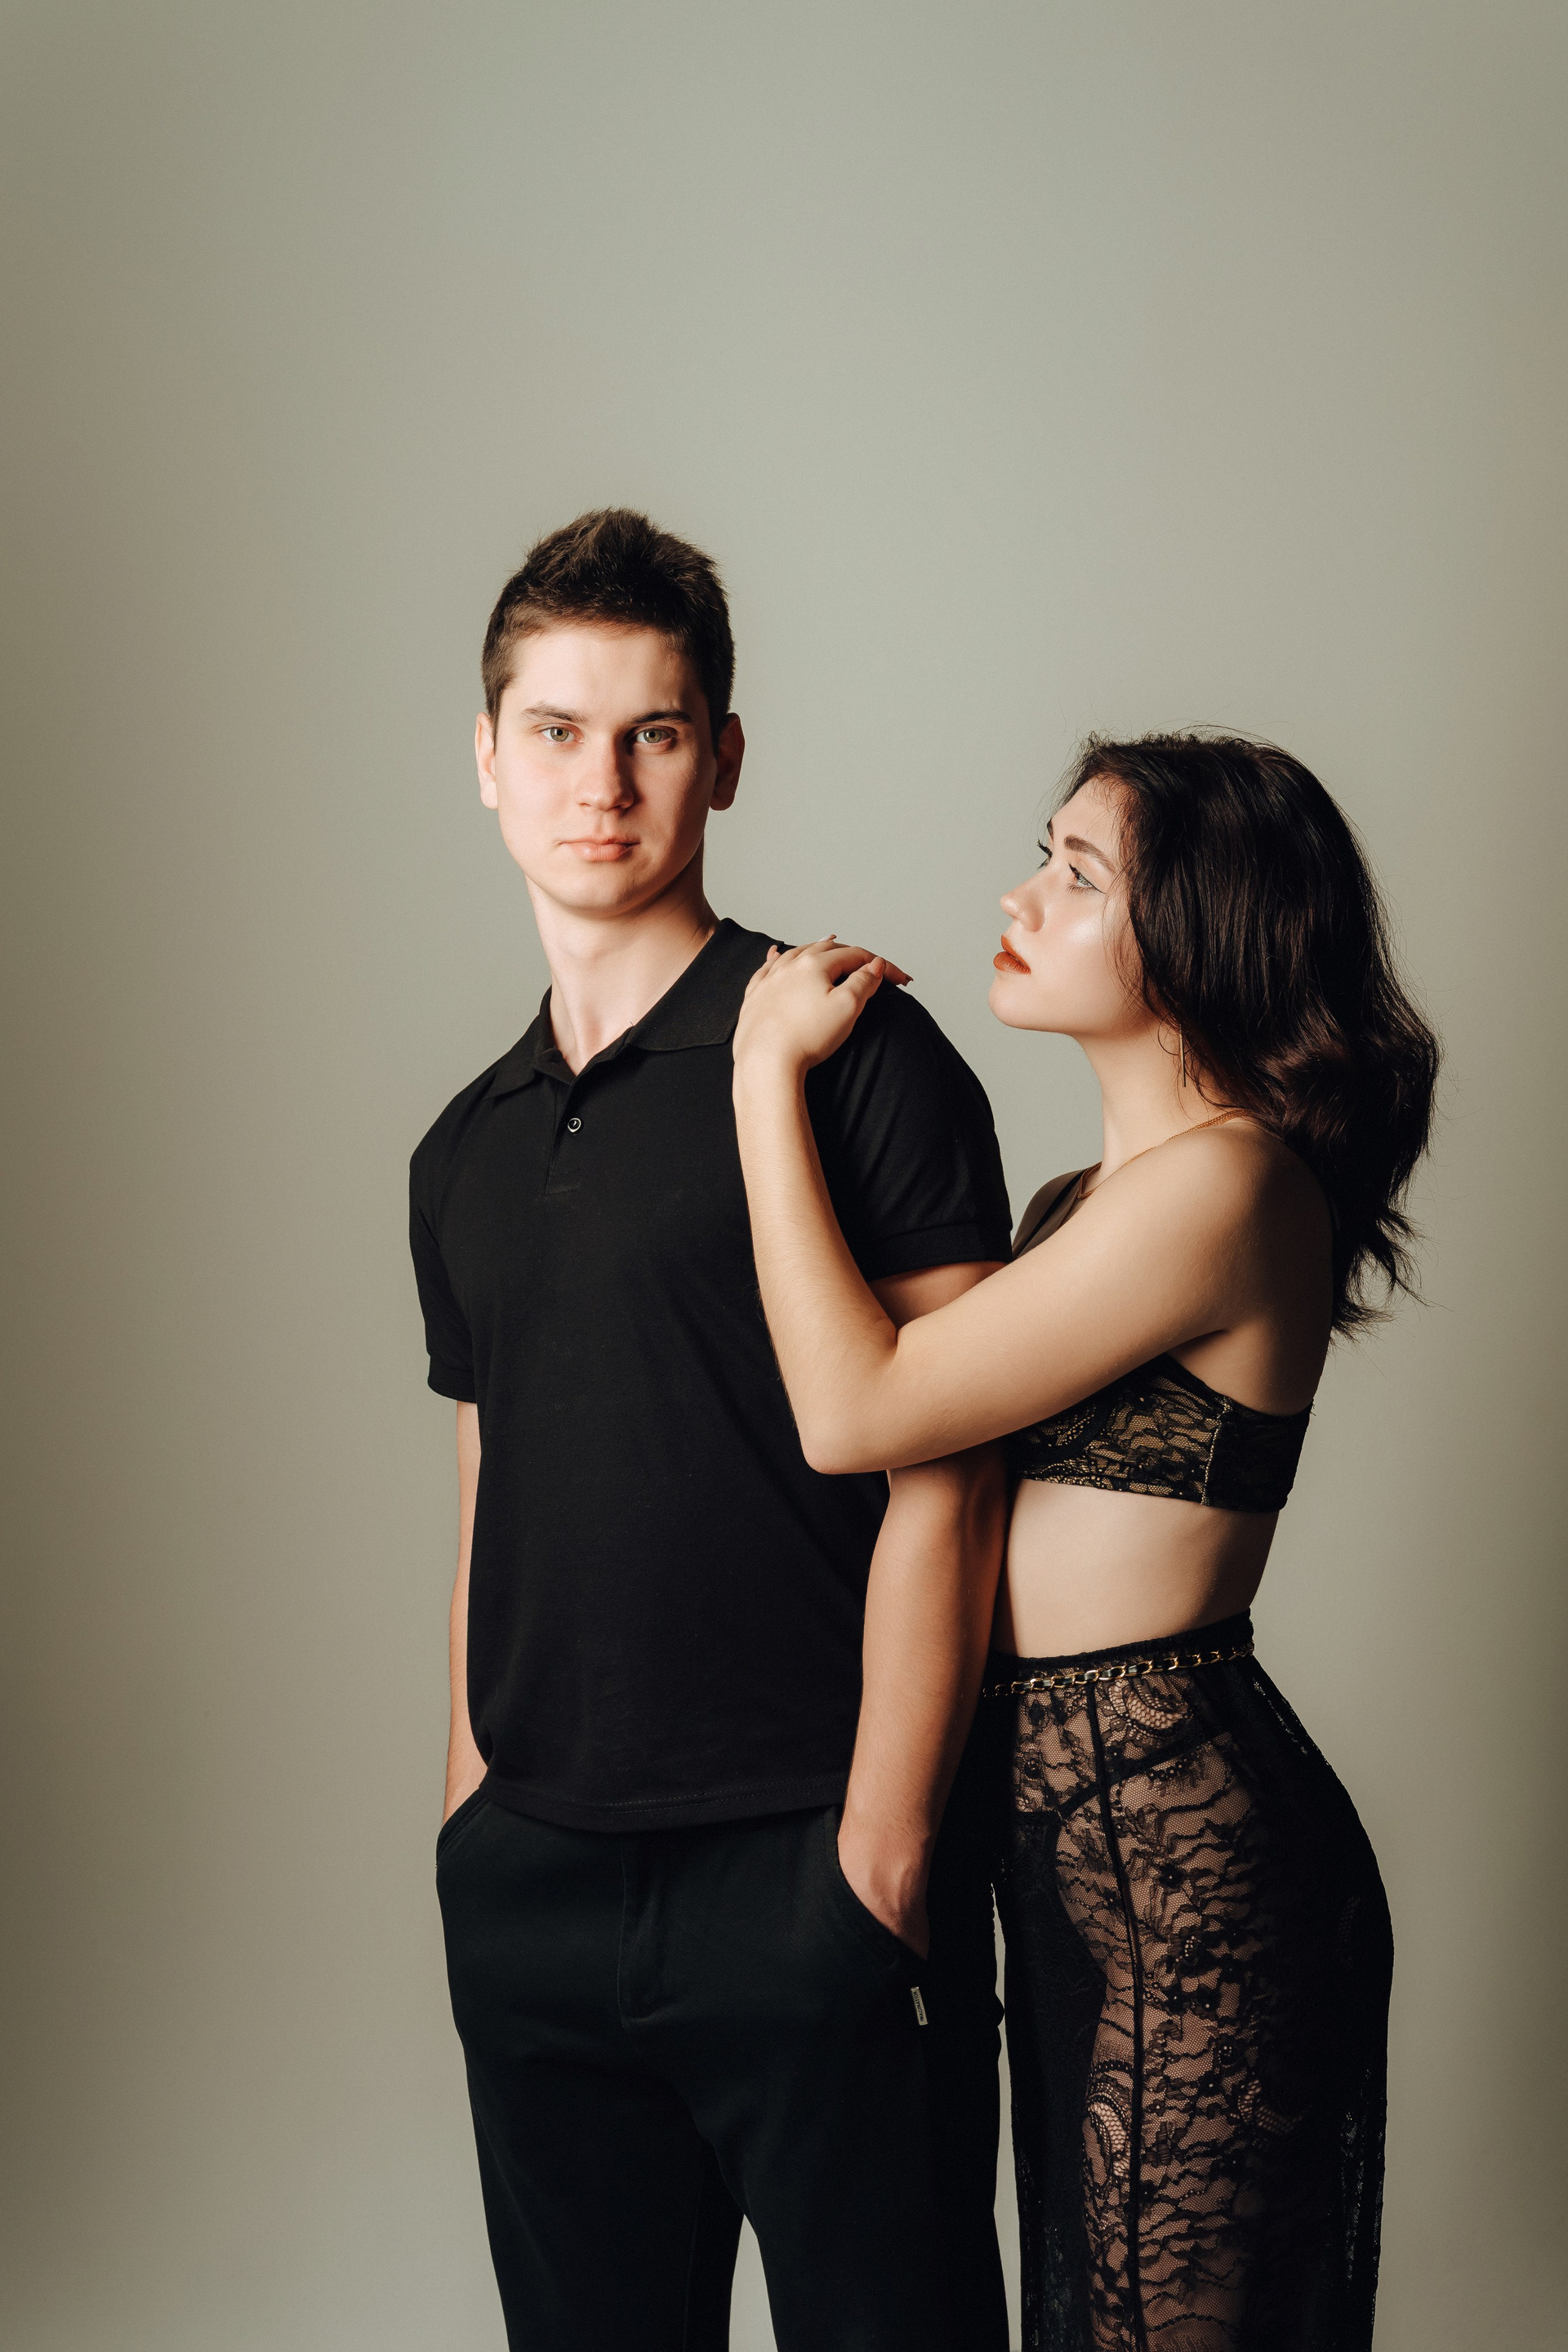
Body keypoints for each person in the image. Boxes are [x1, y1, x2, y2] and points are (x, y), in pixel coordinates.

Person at [730, 732, 1440, 2351]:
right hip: (1069, 1862)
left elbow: (855, 1407)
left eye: (1077, 873)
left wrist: (763, 1081)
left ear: (1196, 934)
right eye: (1041, 854)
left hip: (1189, 1864)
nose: (1020, 897)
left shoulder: (1230, 1185)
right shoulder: (1080, 1207)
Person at [408, 508, 1017, 2350]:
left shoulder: (851, 1054)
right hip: (536, 1889)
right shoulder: (463, 1149)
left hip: (810, 1869)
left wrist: (882, 1862)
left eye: (653, 733)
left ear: (724, 758)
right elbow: (492, 1481)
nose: (601, 785)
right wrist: (469, 1821)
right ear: (488, 759)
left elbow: (953, 1475)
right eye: (557, 733)